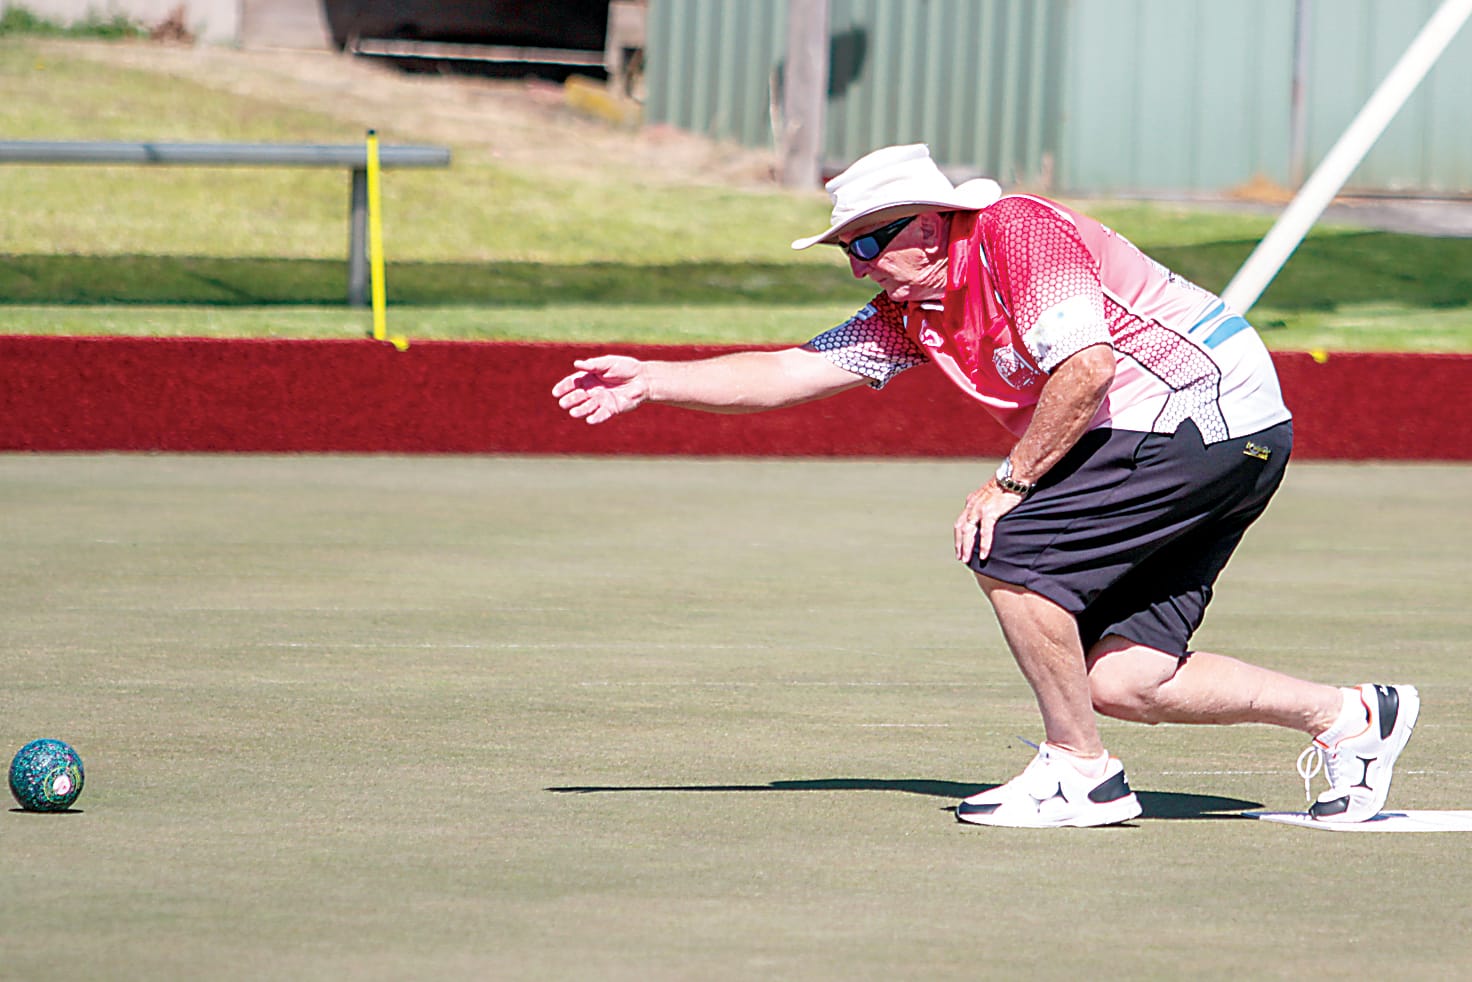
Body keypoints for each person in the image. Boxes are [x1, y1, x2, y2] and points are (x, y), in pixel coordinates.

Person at [551, 143, 1419, 828]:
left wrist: (1009, 482)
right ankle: (1350, 716)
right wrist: (655, 380)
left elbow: (1085, 368)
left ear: (927, 225)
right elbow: (791, 371)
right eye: (847, 249)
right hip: (1225, 439)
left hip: (1197, 418)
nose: (857, 266)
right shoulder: (914, 309)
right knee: (1128, 681)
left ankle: (1081, 773)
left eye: (865, 243)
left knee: (1009, 542)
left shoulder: (1015, 233)